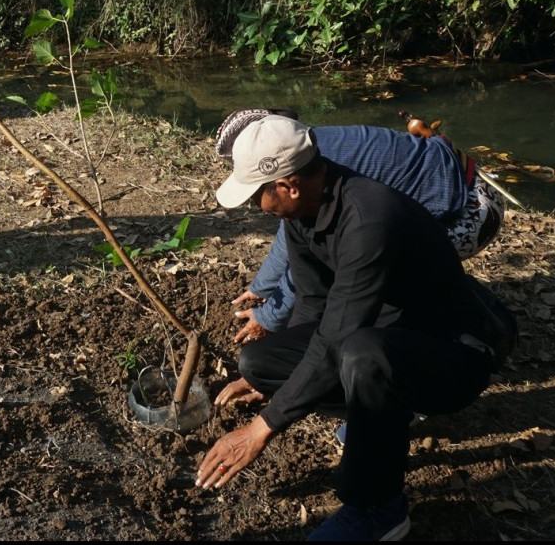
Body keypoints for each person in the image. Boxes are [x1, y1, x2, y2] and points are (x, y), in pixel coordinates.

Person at [196, 115, 516, 540]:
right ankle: (378, 417)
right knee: (260, 362)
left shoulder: (369, 219)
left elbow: (336, 338)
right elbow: (312, 305)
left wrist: (261, 428)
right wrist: (284, 379)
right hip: (384, 335)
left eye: (258, 196)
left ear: (288, 186)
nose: (258, 208)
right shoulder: (303, 213)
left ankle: (378, 509)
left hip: (454, 352)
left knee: (361, 355)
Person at [214, 109, 505, 345]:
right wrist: (261, 287)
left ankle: (475, 326)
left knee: (367, 271)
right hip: (457, 186)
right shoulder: (301, 151)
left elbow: (314, 262)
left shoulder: (309, 167)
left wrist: (268, 318)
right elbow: (291, 233)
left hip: (472, 209)